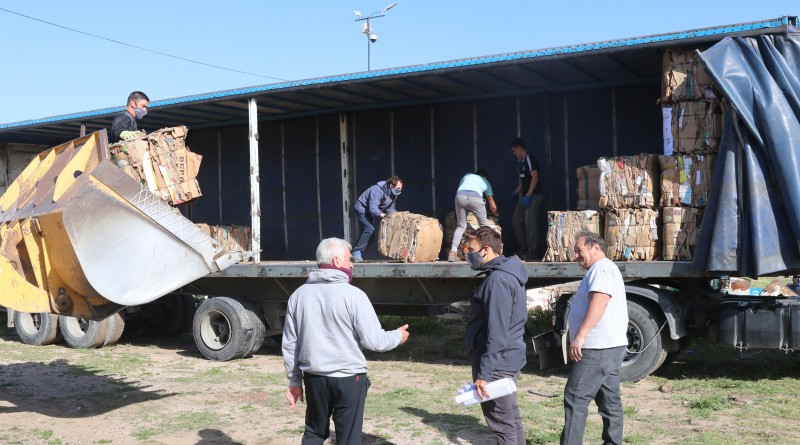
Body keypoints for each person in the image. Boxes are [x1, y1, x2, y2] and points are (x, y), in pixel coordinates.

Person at [283, 237, 410, 445]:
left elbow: (290, 344)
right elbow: (375, 341)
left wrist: (295, 381)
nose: (352, 264)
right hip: (349, 379)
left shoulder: (298, 296)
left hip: (314, 378)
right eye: (349, 259)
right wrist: (398, 336)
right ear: (336, 261)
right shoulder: (354, 295)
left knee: (313, 433)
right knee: (348, 439)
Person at [561, 231, 628, 445]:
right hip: (609, 347)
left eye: (579, 250)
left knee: (575, 398)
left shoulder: (601, 268)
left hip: (598, 348)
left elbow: (600, 302)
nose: (575, 256)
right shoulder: (602, 269)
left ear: (596, 248)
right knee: (609, 401)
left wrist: (580, 336)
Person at [464, 227, 528, 444]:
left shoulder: (498, 281)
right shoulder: (507, 274)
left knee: (502, 424)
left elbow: (497, 332)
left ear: (485, 250)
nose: (467, 254)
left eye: (470, 249)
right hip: (506, 359)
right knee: (510, 419)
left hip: (498, 364)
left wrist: (485, 373)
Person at [448, 170, 499, 262]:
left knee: (461, 226)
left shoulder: (467, 176)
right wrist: (496, 214)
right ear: (485, 177)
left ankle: (452, 252)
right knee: (484, 227)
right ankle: (487, 252)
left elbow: (461, 190)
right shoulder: (485, 181)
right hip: (476, 198)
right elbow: (492, 205)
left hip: (460, 197)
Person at [351, 176, 403, 262]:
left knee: (371, 234)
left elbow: (390, 207)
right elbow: (373, 208)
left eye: (401, 188)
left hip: (369, 210)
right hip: (362, 209)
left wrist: (396, 216)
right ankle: (356, 252)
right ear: (391, 185)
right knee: (369, 229)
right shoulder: (377, 190)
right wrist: (384, 216)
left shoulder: (392, 194)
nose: (400, 190)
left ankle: (355, 251)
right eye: (398, 188)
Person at [510, 137, 543, 261]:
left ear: (519, 148)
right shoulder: (520, 162)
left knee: (530, 223)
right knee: (516, 220)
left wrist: (529, 195)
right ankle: (524, 248)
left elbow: (535, 178)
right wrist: (515, 192)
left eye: (514, 151)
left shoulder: (530, 158)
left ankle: (532, 251)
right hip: (524, 196)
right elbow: (522, 181)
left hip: (534, 195)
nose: (514, 154)